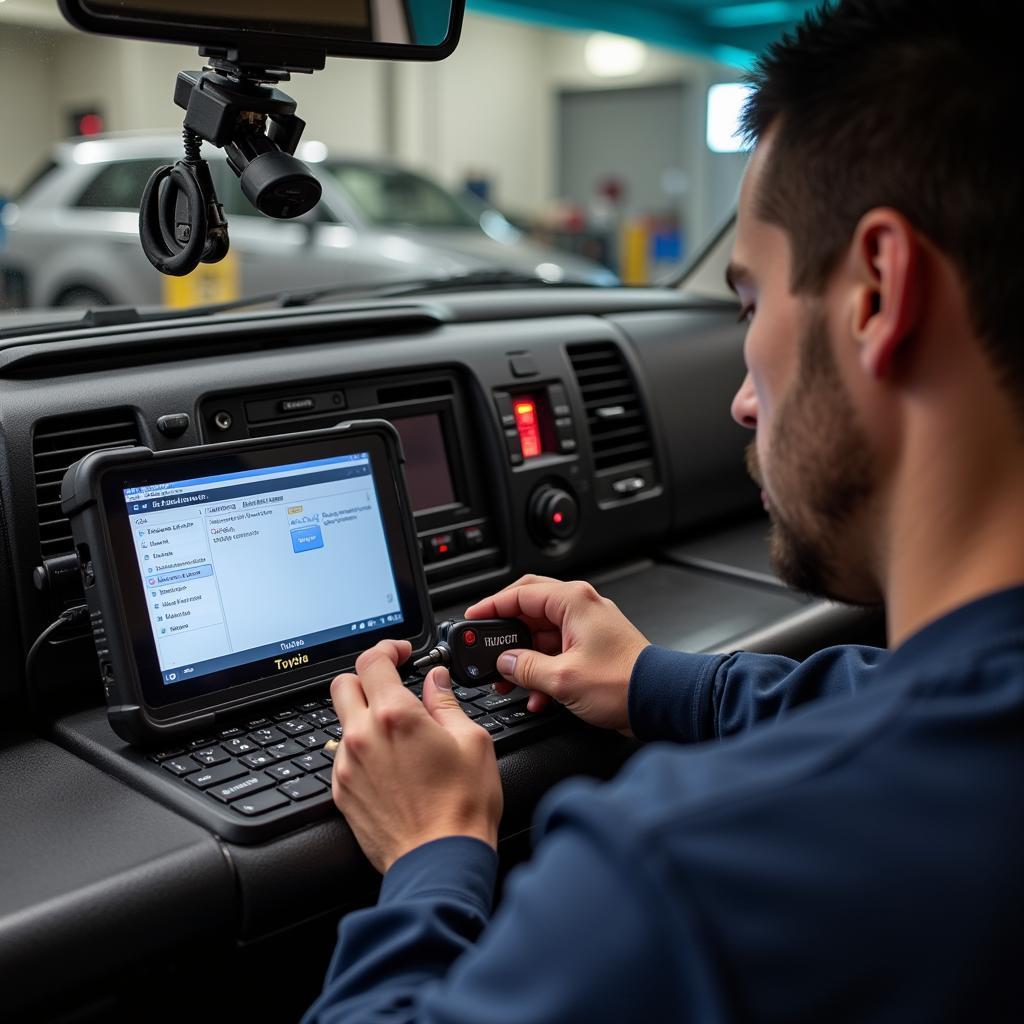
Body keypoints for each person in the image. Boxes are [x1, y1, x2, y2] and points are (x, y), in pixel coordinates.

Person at [303, 1, 1023, 1019]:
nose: (739, 397)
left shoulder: (679, 875)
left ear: (876, 290)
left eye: (750, 304)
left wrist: (434, 852)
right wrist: (655, 682)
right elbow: (905, 689)